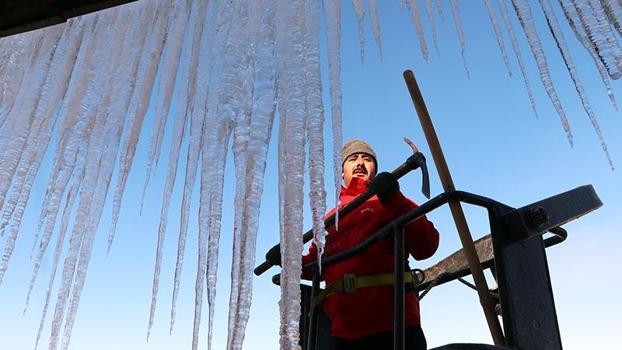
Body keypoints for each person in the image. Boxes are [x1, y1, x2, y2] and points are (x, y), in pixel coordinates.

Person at [302, 139, 439, 350]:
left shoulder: (393, 202)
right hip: (341, 335)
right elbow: (312, 267)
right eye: (352, 159)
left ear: (375, 168)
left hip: (394, 327)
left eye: (366, 159)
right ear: (341, 171)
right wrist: (287, 258)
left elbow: (427, 246)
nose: (359, 163)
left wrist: (394, 198)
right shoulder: (329, 220)